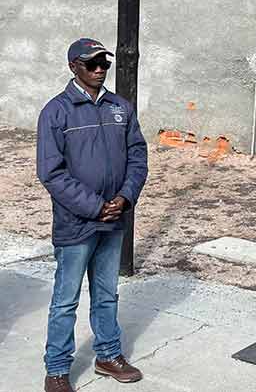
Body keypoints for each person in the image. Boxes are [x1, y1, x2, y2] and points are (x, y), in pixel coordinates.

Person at [37, 38, 148, 392]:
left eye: (104, 63)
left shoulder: (121, 107)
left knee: (106, 293)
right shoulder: (56, 112)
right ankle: (56, 370)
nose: (100, 69)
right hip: (77, 224)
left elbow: (138, 156)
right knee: (65, 300)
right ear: (74, 67)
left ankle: (108, 355)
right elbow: (51, 173)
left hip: (114, 220)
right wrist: (94, 206)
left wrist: (125, 197)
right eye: (92, 63)